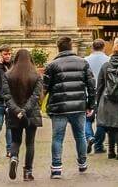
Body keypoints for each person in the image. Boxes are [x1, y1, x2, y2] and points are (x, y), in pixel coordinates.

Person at [43, 36, 96, 179]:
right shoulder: (82, 63)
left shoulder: (52, 65)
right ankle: (82, 162)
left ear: (58, 47)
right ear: (71, 46)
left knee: (57, 137)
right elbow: (91, 86)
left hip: (58, 106)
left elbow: (44, 88)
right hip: (78, 105)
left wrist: (39, 105)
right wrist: (91, 104)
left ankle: (56, 168)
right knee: (80, 136)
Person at [2, 48, 43, 182]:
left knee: (15, 140)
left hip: (14, 114)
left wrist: (17, 110)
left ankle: (14, 157)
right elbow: (36, 96)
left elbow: (7, 97)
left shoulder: (8, 75)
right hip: (31, 113)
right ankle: (28, 172)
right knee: (30, 143)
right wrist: (25, 110)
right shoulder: (36, 75)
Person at [95, 38, 118, 160]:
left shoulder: (106, 65)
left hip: (107, 98)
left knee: (110, 125)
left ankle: (111, 151)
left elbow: (100, 84)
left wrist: (97, 99)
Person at [83, 40, 109, 152]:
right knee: (101, 121)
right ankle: (98, 145)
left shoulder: (85, 60)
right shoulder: (109, 60)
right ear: (104, 47)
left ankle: (89, 137)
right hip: (104, 93)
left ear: (92, 48)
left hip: (88, 93)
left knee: (87, 119)